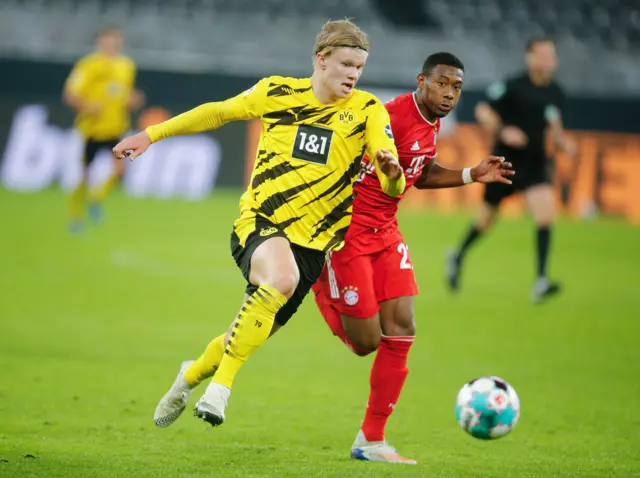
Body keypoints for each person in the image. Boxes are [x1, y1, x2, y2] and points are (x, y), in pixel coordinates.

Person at [112, 19, 405, 430]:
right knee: (280, 278)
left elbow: (392, 176)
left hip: (314, 245)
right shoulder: (278, 92)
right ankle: (221, 389)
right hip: (260, 223)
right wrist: (151, 134)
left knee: (246, 332)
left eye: (359, 67)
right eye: (346, 65)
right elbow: (218, 113)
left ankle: (189, 377)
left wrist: (391, 172)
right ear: (321, 60)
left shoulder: (367, 110)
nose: (354, 75)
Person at [311, 52, 514, 464]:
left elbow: (419, 173)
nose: (449, 93)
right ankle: (319, 280)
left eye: (456, 87)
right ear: (422, 81)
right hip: (348, 233)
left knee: (402, 327)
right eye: (442, 84)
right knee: (366, 344)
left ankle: (371, 439)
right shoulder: (389, 116)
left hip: (385, 231)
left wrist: (470, 174)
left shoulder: (431, 123)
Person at [446, 37, 576, 303]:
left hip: (536, 164)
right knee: (485, 220)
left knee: (544, 216)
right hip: (504, 164)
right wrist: (504, 131)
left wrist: (563, 143)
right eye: (540, 55)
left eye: (550, 55)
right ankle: (457, 255)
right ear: (529, 57)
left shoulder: (557, 93)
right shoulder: (512, 86)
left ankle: (540, 280)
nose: (546, 61)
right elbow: (483, 110)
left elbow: (554, 127)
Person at [63, 26, 145, 233]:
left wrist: (132, 99)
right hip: (90, 129)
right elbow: (70, 94)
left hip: (115, 127)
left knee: (119, 170)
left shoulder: (126, 65)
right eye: (108, 42)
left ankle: (96, 199)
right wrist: (89, 106)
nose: (112, 46)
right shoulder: (88, 65)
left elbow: (122, 93)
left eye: (115, 42)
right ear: (99, 43)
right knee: (83, 175)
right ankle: (75, 218)